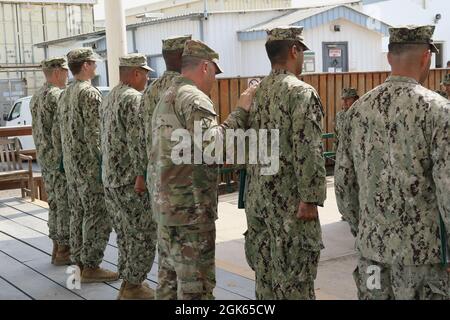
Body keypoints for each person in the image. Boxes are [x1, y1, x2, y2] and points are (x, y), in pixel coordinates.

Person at [335, 25, 450, 300]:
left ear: (389, 58)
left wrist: (363, 230)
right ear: (427, 57)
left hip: (371, 256)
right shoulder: (438, 112)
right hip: (421, 260)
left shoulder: (357, 111)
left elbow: (343, 185)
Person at [149, 40, 257, 300]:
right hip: (190, 212)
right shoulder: (195, 98)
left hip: (167, 209)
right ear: (206, 67)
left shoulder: (167, 95)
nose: (214, 81)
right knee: (196, 290)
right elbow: (215, 148)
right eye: (215, 74)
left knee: (168, 285)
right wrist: (241, 110)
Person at [245, 26, 327, 300]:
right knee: (296, 284)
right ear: (294, 51)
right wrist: (310, 198)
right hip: (291, 205)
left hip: (260, 201)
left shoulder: (256, 93)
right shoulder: (301, 92)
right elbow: (309, 149)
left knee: (266, 280)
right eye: (301, 52)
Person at [58, 48, 118, 283]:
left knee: (78, 213)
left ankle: (78, 263)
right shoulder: (89, 94)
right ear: (84, 66)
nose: (95, 66)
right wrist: (105, 163)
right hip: (90, 168)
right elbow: (95, 134)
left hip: (73, 167)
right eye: (93, 63)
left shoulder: (65, 93)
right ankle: (91, 266)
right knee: (96, 215)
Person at [100, 53, 157, 300]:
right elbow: (137, 142)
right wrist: (142, 175)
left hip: (111, 178)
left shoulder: (109, 96)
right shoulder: (134, 99)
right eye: (145, 74)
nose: (147, 78)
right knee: (142, 233)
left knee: (125, 233)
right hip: (130, 180)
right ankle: (133, 285)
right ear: (135, 73)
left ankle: (128, 283)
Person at [136, 35, 191, 197]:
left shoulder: (150, 90)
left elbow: (140, 135)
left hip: (155, 175)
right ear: (183, 56)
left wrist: (141, 173)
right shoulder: (187, 88)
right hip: (182, 179)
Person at [30, 57, 71, 266]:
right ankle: (64, 250)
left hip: (45, 159)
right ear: (57, 72)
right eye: (65, 71)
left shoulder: (36, 96)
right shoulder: (57, 96)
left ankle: (57, 246)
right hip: (59, 160)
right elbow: (59, 132)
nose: (67, 75)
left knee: (54, 203)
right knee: (63, 204)